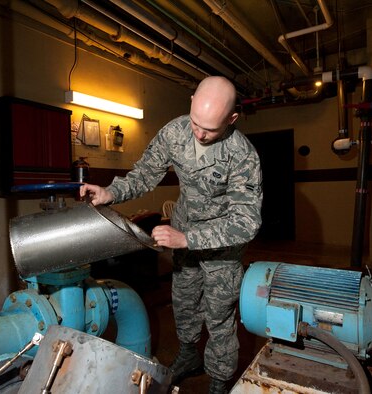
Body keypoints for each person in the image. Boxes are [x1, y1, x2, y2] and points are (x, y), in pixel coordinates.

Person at [80, 76, 262, 394]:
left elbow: (246, 222)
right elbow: (146, 173)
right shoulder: (175, 131)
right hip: (184, 232)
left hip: (221, 246)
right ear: (191, 101)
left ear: (232, 119)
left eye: (210, 129)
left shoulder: (243, 156)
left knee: (218, 316)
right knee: (184, 303)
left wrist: (188, 239)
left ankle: (219, 381)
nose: (200, 133)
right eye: (196, 122)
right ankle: (189, 356)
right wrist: (110, 192)